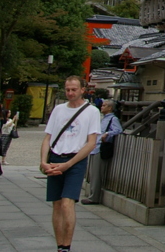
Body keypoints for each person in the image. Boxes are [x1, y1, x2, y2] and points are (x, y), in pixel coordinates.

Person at [41, 76, 101, 252]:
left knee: (68, 203)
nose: (70, 93)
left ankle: (67, 245)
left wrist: (68, 164)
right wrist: (43, 162)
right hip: (55, 158)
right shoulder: (59, 110)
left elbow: (91, 143)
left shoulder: (92, 111)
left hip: (75, 160)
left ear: (83, 89)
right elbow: (48, 137)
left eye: (74, 89)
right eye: (67, 89)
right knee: (57, 203)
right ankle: (59, 245)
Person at [82, 99, 122, 205]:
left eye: (104, 105)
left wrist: (107, 134)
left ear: (110, 108)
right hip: (95, 147)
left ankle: (94, 197)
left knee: (97, 174)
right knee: (93, 173)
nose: (102, 107)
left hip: (101, 148)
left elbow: (118, 130)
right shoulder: (103, 119)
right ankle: (92, 194)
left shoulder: (113, 119)